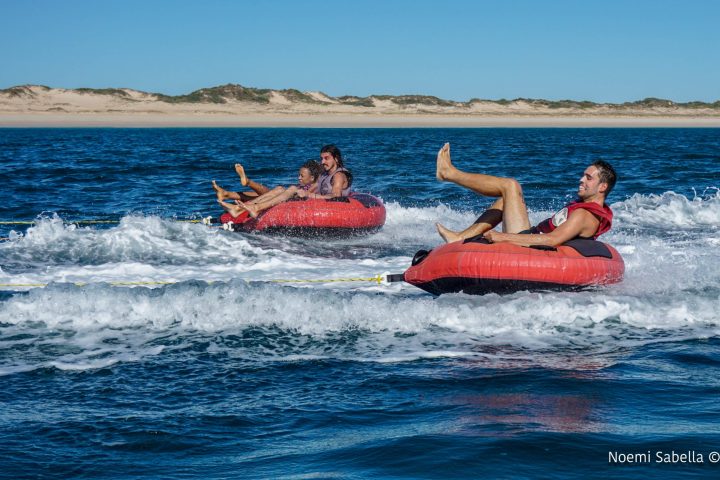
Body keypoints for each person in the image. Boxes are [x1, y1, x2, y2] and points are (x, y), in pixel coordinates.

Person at [434, 143, 617, 247]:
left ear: (602, 187)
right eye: (583, 175)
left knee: (510, 185)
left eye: (588, 178)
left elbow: (552, 239)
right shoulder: (584, 208)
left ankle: (449, 173)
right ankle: (459, 238)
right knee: (506, 198)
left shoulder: (585, 215)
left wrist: (503, 237)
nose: (581, 180)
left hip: (530, 247)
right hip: (529, 235)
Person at [218, 160, 323, 218]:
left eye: (302, 176)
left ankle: (236, 199)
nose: (298, 178)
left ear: (312, 178)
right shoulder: (306, 184)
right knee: (278, 189)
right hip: (289, 199)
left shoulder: (315, 185)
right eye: (298, 175)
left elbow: (306, 195)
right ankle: (237, 207)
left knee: (283, 189)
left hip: (298, 204)